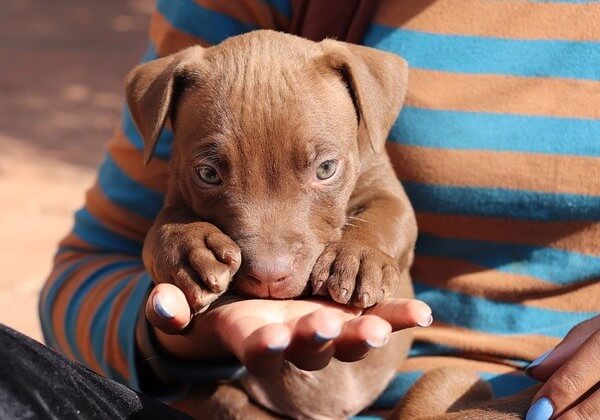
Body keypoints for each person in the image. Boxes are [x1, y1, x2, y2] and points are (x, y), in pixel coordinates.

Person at [29, 1, 599, 419]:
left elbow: (387, 208)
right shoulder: (207, 69)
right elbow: (86, 271)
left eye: (323, 169)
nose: (271, 260)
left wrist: (369, 244)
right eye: (211, 173)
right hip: (235, 393)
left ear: (367, 114)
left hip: (498, 397)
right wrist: (183, 331)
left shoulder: (356, 112)